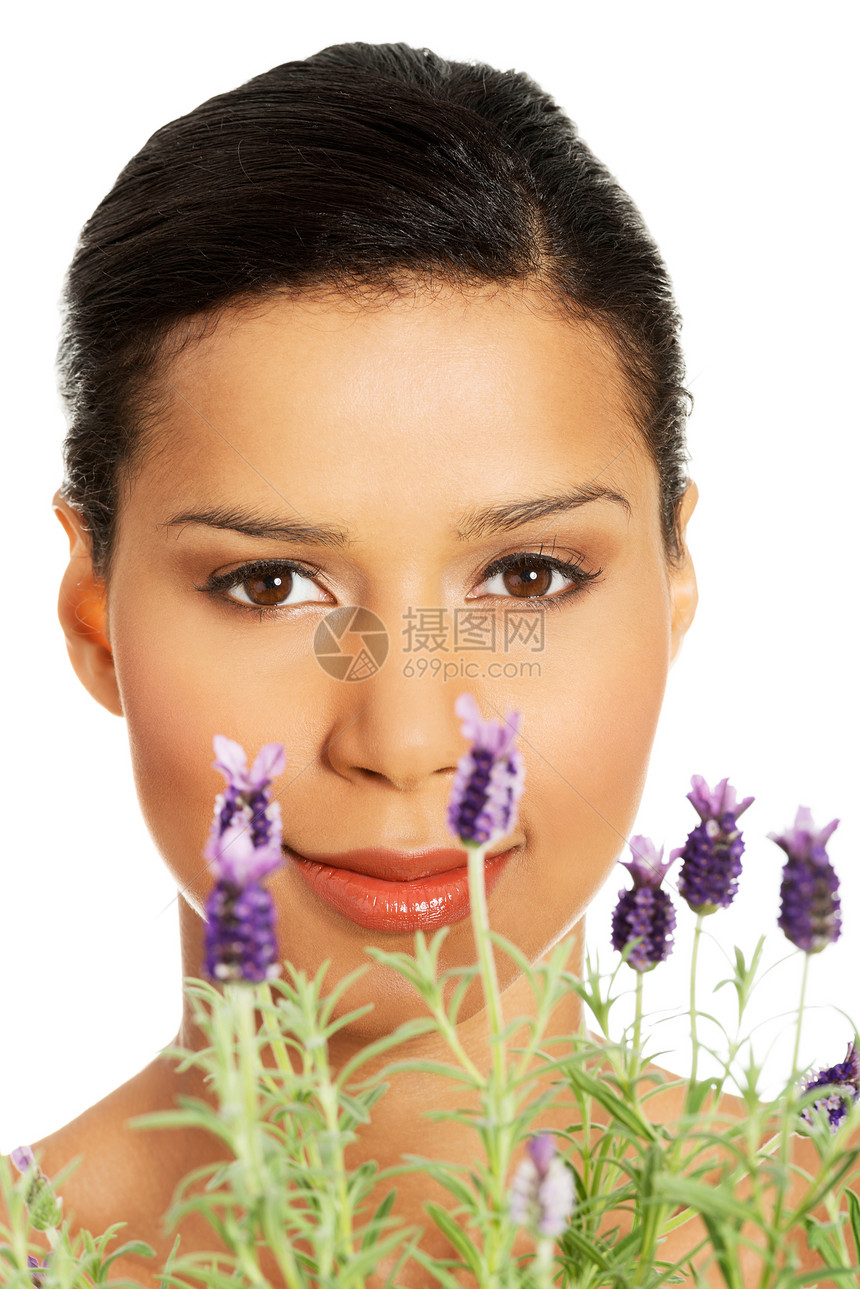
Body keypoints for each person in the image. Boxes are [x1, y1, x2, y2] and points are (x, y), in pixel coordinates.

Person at [2, 41, 840, 1288]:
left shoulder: (823, 1229)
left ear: (673, 587)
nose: (403, 741)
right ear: (93, 615)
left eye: (527, 576)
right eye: (269, 582)